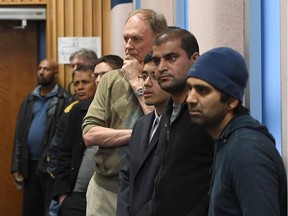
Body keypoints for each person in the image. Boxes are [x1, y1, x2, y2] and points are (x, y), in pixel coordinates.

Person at [82, 9, 167, 216]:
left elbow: (162, 129)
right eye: (125, 38)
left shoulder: (165, 80)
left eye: (136, 39)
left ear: (158, 40)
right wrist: (137, 135)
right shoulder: (110, 80)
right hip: (104, 188)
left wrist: (137, 82)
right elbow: (89, 134)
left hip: (146, 190)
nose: (128, 46)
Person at [186, 47, 287, 216]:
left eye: (202, 90)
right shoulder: (227, 140)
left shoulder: (246, 149)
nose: (190, 99)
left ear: (232, 100)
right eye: (189, 88)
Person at [149, 28, 214, 216]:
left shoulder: (207, 114)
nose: (161, 67)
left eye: (171, 58)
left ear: (195, 59)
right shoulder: (167, 111)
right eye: (156, 60)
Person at [51, 55, 123, 216]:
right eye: (95, 75)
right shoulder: (79, 110)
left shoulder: (131, 108)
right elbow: (64, 153)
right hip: (77, 195)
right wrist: (63, 196)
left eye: (104, 74)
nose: (99, 80)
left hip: (114, 192)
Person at [11, 59, 73, 216]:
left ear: (56, 73)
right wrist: (16, 165)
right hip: (29, 165)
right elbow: (20, 134)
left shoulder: (64, 99)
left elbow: (64, 138)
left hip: (50, 167)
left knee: (50, 209)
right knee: (31, 209)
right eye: (39, 68)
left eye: (46, 69)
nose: (41, 72)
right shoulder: (29, 99)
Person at [117, 53, 170, 216]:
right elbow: (127, 175)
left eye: (154, 76)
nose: (146, 83)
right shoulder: (141, 125)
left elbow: (168, 186)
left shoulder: (178, 125)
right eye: (144, 76)